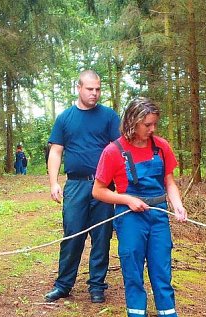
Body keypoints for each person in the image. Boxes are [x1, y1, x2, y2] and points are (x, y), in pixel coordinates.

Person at [92, 98, 201, 317]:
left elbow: (170, 182)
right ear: (132, 122)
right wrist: (127, 199)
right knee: (133, 275)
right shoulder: (112, 151)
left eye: (154, 124)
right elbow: (98, 191)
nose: (152, 129)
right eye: (147, 124)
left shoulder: (161, 147)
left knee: (162, 277)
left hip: (158, 217)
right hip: (130, 218)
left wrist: (177, 205)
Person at [44, 69, 121, 304]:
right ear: (78, 88)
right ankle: (63, 284)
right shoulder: (65, 118)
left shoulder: (109, 116)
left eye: (98, 89)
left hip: (104, 186)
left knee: (102, 236)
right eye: (90, 89)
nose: (94, 93)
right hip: (76, 185)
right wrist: (54, 182)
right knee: (72, 235)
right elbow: (56, 151)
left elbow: (119, 149)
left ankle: (97, 286)